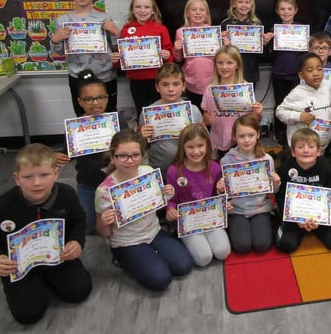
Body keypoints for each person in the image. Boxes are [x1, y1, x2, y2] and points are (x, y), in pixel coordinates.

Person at [0, 144, 92, 324]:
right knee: (28, 314)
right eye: (28, 177)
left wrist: (76, 242)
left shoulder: (66, 194)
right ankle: (31, 287)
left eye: (44, 175)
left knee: (79, 291)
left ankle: (46, 281)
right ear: (16, 178)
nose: (37, 183)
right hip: (19, 267)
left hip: (58, 257)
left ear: (56, 173)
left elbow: (79, 221)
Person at [95, 129, 193, 290]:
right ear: (112, 157)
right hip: (126, 242)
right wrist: (104, 223)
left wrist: (167, 195)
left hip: (154, 232)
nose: (130, 160)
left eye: (135, 155)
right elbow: (102, 232)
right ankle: (123, 258)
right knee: (160, 280)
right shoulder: (104, 191)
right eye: (122, 155)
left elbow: (157, 205)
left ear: (142, 155)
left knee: (184, 266)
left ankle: (150, 256)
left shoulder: (147, 172)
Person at [55, 69, 116, 234]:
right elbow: (65, 154)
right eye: (88, 99)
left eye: (100, 97)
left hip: (114, 183)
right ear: (80, 102)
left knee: (117, 222)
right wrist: (58, 157)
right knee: (88, 228)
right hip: (88, 184)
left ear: (107, 98)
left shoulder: (117, 124)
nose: (95, 103)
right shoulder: (74, 129)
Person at [50, 0, 120, 116]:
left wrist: (116, 33)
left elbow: (115, 47)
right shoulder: (62, 20)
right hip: (78, 77)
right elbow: (59, 53)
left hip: (104, 75)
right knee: (82, 117)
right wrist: (55, 40)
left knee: (109, 115)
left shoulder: (104, 17)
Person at [165, 123, 231, 266]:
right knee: (203, 258)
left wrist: (222, 197)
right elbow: (171, 199)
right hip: (188, 221)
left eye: (200, 146)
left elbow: (217, 196)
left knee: (222, 252)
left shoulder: (214, 167)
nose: (196, 151)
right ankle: (182, 238)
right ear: (183, 147)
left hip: (209, 217)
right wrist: (170, 209)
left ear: (207, 146)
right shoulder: (173, 171)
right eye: (190, 147)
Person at [275, 128, 331, 253]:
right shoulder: (285, 168)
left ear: (318, 151)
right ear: (293, 152)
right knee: (286, 244)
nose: (306, 150)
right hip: (294, 217)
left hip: (320, 216)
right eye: (301, 147)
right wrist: (297, 219)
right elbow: (281, 198)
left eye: (311, 146)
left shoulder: (326, 168)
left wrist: (319, 219)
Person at [217, 114, 281, 253]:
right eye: (241, 136)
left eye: (251, 135)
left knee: (262, 245)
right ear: (234, 137)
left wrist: (275, 183)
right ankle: (233, 227)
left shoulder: (266, 159)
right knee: (242, 247)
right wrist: (221, 189)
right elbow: (225, 194)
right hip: (236, 210)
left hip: (260, 208)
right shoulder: (226, 161)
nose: (246, 140)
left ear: (258, 134)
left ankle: (265, 221)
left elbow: (273, 192)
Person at [113, 0, 173, 117]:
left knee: (161, 112)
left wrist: (167, 55)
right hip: (136, 82)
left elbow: (170, 56)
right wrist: (116, 60)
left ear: (153, 10)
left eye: (146, 7)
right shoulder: (126, 30)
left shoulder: (161, 29)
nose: (142, 10)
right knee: (142, 113)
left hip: (157, 80)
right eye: (138, 7)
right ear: (132, 10)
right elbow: (120, 63)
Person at [138, 62, 202, 179]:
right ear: (157, 87)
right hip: (160, 169)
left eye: (176, 84)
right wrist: (141, 137)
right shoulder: (147, 114)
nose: (171, 89)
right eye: (165, 85)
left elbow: (204, 141)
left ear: (183, 86)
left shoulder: (193, 111)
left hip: (190, 168)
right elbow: (141, 147)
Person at [201, 45, 263, 159]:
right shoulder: (210, 90)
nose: (224, 67)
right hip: (219, 139)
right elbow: (206, 117)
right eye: (220, 63)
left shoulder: (245, 88)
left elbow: (254, 119)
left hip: (242, 140)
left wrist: (258, 111)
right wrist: (207, 119)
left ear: (238, 65)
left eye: (229, 63)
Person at [265, 0, 308, 147]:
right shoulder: (273, 30)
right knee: (280, 104)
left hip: (296, 74)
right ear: (277, 11)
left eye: (289, 9)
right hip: (278, 74)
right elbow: (270, 54)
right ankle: (280, 133)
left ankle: (296, 132)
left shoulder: (301, 30)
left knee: (296, 104)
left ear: (295, 10)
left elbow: (305, 54)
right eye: (282, 9)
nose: (286, 12)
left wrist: (306, 42)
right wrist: (268, 41)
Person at [275, 52, 331, 148]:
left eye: (319, 69)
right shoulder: (297, 93)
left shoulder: (329, 87)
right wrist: (299, 116)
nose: (316, 73)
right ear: (301, 75)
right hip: (301, 148)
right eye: (310, 70)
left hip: (321, 145)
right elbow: (280, 112)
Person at [172, 0, 216, 108]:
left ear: (206, 14)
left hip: (211, 80)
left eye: (201, 10)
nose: (198, 13)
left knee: (210, 115)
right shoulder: (181, 32)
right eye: (194, 9)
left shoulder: (213, 32)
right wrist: (177, 49)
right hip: (191, 81)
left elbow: (220, 57)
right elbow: (178, 59)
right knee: (196, 114)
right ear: (187, 13)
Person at [219, 0, 264, 86]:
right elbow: (220, 53)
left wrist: (263, 44)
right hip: (230, 72)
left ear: (251, 4)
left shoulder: (257, 25)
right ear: (233, 4)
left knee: (248, 101)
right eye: (240, 2)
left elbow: (261, 55)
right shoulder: (225, 24)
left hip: (250, 71)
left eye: (247, 2)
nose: (244, 5)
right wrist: (223, 44)